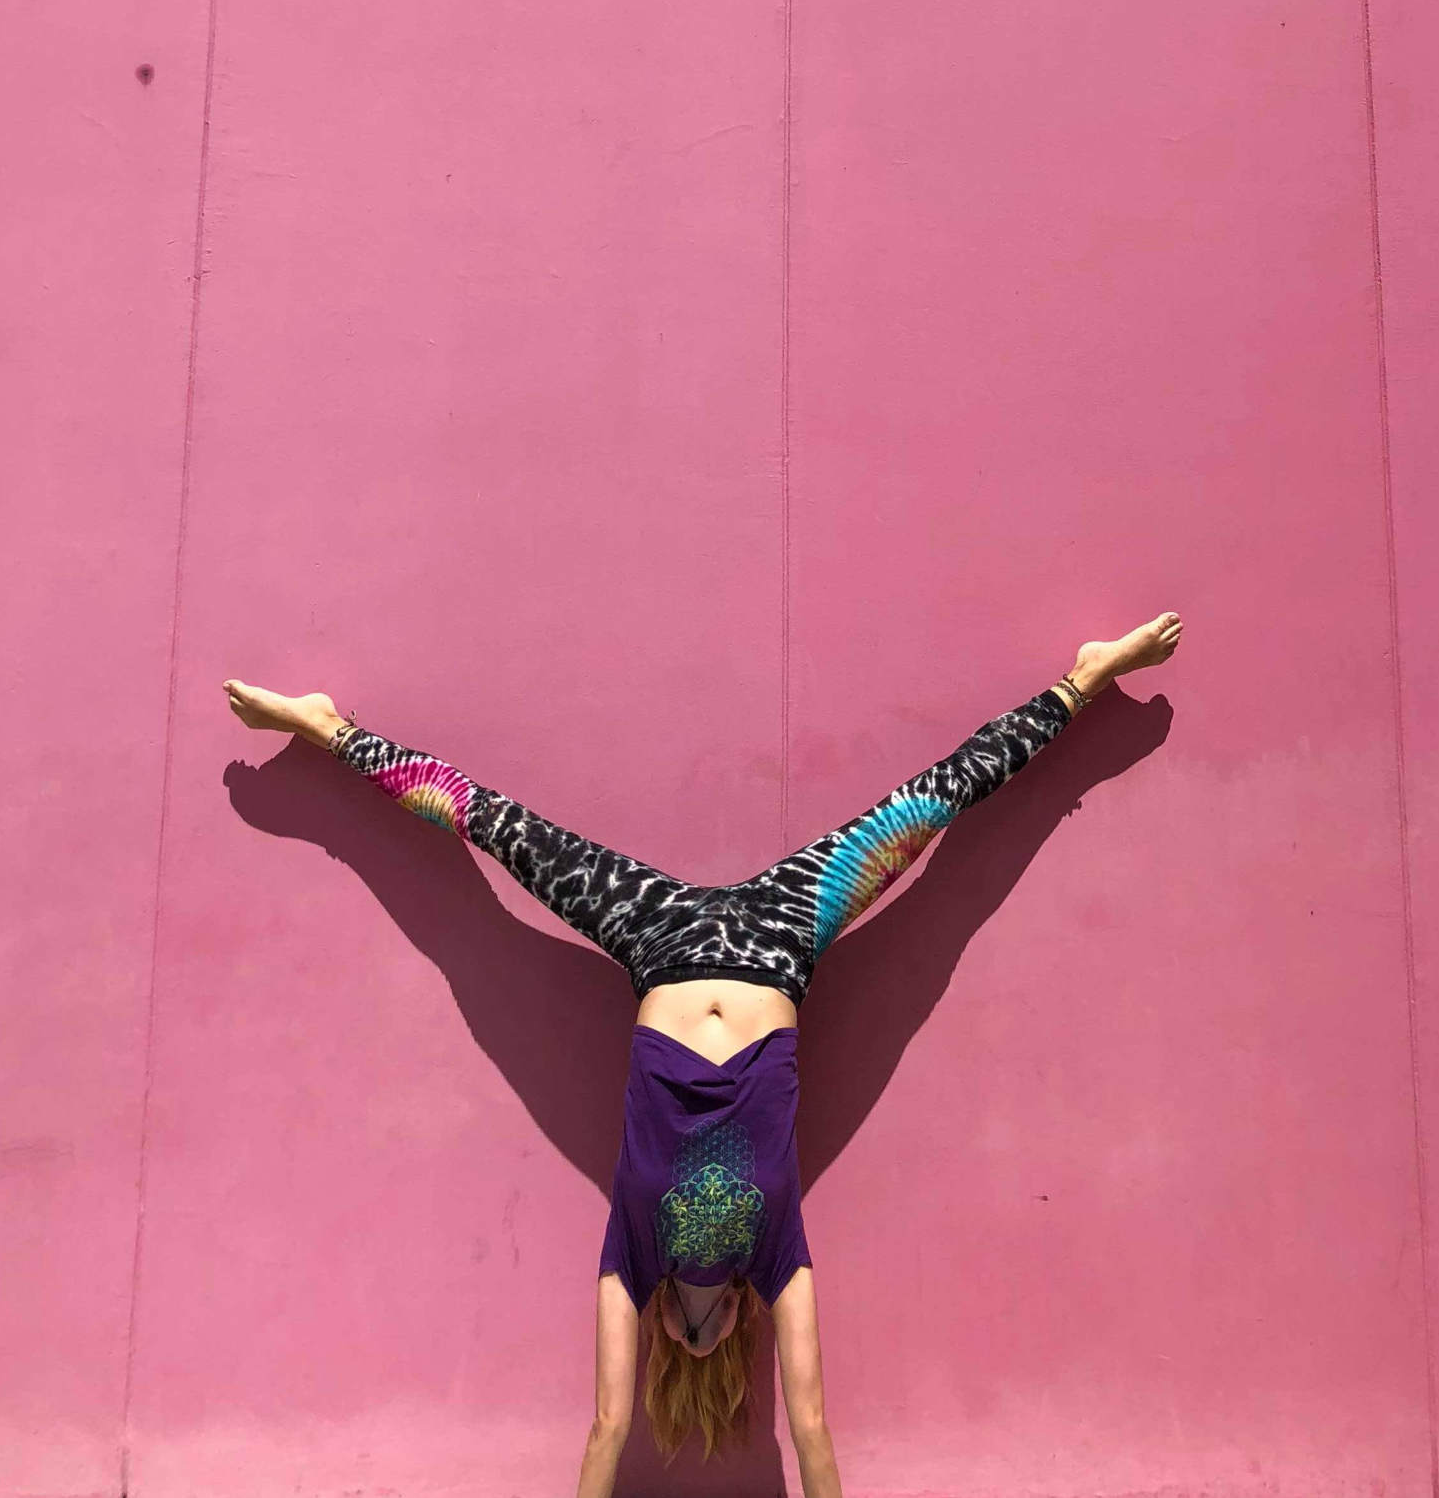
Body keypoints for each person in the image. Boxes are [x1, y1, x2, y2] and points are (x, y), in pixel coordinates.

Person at [225, 610, 1182, 1498]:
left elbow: (607, 1426)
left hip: (659, 935)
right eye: (706, 1331)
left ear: (662, 1334)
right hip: (782, 933)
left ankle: (332, 729)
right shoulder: (780, 1258)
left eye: (676, 1336)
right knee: (929, 806)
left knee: (491, 823)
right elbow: (811, 1425)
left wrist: (641, 1355)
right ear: (736, 1329)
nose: (694, 1325)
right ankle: (1081, 683)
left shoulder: (627, 1261)